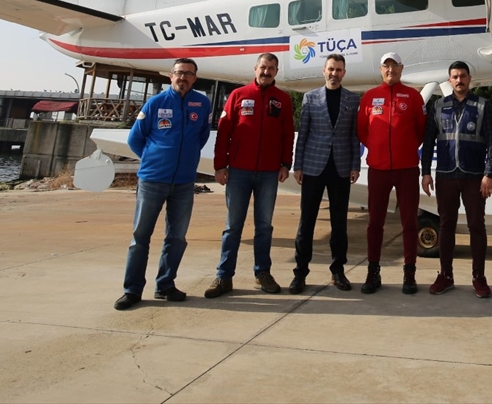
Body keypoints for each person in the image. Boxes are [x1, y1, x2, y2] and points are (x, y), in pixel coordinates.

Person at [115, 58, 211, 310]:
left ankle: (165, 284)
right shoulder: (155, 102)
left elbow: (201, 136)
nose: (184, 77)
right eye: (179, 73)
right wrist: (154, 158)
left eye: (189, 74)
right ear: (171, 76)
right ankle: (132, 290)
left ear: (194, 78)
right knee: (140, 237)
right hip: (152, 180)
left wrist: (185, 159)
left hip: (183, 183)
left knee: (177, 237)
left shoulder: (202, 103)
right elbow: (136, 139)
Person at [206, 53, 294, 298]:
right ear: (255, 68)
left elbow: (288, 134)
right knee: (232, 227)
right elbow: (223, 133)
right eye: (263, 67)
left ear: (276, 71)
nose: (266, 71)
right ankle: (224, 276)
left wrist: (286, 163)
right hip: (239, 172)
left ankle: (262, 273)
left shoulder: (283, 99)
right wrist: (220, 165)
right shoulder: (238, 95)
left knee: (264, 227)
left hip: (268, 173)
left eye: (272, 68)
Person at [421, 61, 492, 297]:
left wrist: (489, 174)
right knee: (446, 226)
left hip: (474, 177)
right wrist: (425, 172)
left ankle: (479, 277)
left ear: (469, 79)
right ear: (449, 80)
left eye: (463, 76)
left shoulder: (483, 106)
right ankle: (445, 275)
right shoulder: (438, 105)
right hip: (445, 175)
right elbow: (429, 141)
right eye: (454, 76)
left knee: (476, 226)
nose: (459, 80)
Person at [289, 54, 362, 294]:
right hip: (312, 166)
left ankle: (338, 271)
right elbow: (304, 134)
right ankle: (300, 273)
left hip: (340, 168)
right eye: (331, 69)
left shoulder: (352, 99)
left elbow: (354, 135)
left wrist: (355, 165)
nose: (334, 73)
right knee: (306, 222)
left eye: (339, 69)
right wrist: (297, 165)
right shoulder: (310, 98)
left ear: (344, 73)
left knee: (339, 223)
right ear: (324, 71)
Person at [358, 51, 426, 294]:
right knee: (375, 223)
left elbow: (420, 131)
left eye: (394, 66)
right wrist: (377, 151)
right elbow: (363, 131)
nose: (390, 70)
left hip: (407, 169)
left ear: (401, 68)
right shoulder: (369, 97)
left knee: (410, 222)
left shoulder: (414, 96)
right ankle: (373, 271)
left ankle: (409, 273)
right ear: (380, 69)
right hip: (378, 169)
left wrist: (404, 149)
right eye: (386, 66)